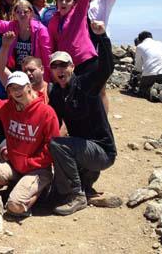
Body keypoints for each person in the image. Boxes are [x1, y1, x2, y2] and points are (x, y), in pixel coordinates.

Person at [48, 21, 116, 216]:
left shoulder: (86, 83)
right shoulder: (57, 94)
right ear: (52, 71)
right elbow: (53, 123)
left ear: (72, 66)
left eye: (64, 65)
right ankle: (83, 187)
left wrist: (101, 37)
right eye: (55, 66)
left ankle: (76, 196)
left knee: (59, 145)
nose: (60, 69)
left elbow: (106, 68)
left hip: (102, 151)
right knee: (56, 146)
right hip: (84, 151)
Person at [0, 70, 59, 216]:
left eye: (19, 87)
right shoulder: (8, 107)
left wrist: (30, 163)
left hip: (37, 169)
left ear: (28, 87)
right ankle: (19, 185)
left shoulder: (46, 112)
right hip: (15, 166)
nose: (16, 91)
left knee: (14, 207)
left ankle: (42, 192)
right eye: (12, 88)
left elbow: (53, 146)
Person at [0, 0, 52, 80]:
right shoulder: (11, 26)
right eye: (18, 12)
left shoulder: (41, 29)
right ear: (15, 14)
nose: (22, 14)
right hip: (15, 72)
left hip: (33, 72)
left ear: (31, 13)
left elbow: (46, 55)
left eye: (25, 11)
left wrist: (47, 78)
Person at [48, 0, 101, 75]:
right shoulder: (53, 20)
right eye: (60, 0)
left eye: (68, 0)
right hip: (67, 65)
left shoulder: (78, 13)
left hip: (86, 61)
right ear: (56, 3)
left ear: (74, 3)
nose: (64, 2)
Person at [134, 31, 162, 102]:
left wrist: (138, 73)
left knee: (142, 90)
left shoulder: (140, 46)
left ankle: (149, 91)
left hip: (148, 74)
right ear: (151, 37)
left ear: (140, 40)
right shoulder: (160, 44)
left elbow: (138, 66)